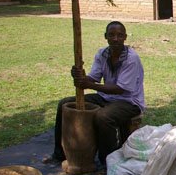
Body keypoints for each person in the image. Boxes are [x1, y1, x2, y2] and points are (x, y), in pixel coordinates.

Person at [47, 21, 145, 165]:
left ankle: (107, 160)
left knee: (103, 117)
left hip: (129, 102)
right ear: (106, 37)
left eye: (119, 35)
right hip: (105, 97)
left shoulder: (132, 59)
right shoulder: (102, 54)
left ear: (125, 37)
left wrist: (89, 85)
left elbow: (120, 89)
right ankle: (59, 154)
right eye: (111, 35)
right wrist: (80, 77)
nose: (115, 39)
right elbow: (93, 78)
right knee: (65, 104)